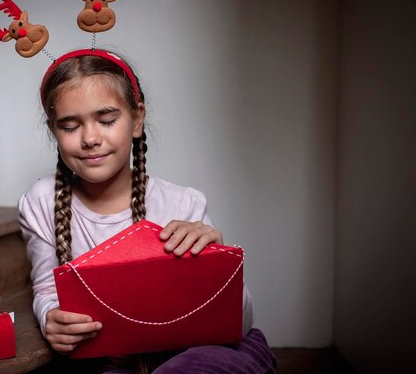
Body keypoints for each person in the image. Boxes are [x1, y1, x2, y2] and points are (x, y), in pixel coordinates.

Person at [18, 49, 277, 373]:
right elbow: (45, 290)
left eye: (107, 120)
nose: (90, 138)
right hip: (111, 360)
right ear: (53, 130)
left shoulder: (183, 204)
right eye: (70, 126)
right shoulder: (41, 202)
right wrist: (49, 318)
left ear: (137, 119)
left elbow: (240, 319)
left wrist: (213, 262)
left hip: (196, 353)